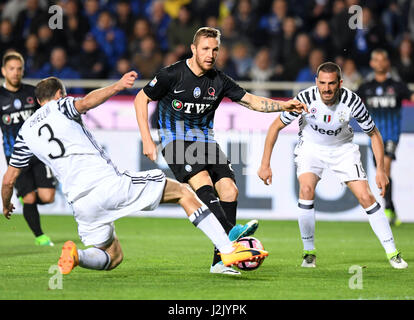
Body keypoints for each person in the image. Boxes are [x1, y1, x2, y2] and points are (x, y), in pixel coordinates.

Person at [1, 72, 268, 275]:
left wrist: (6, 204)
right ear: (59, 93)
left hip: (80, 205)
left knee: (112, 256)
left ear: (37, 100)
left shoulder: (24, 134)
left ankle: (78, 256)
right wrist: (117, 87)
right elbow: (84, 103)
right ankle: (227, 250)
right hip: (107, 184)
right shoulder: (61, 106)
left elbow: (9, 179)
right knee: (183, 192)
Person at [134, 27, 306, 275]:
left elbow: (251, 101)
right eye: (205, 48)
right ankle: (231, 236)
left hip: (206, 141)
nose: (210, 54)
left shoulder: (219, 80)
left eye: (215, 49)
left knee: (229, 189)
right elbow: (141, 98)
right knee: (202, 183)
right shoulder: (172, 74)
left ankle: (220, 261)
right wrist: (147, 139)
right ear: (193, 49)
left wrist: (283, 105)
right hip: (176, 141)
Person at [257, 62, 408, 269]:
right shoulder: (304, 99)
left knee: (366, 197)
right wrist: (265, 163)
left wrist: (381, 170)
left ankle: (393, 253)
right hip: (311, 147)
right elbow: (275, 127)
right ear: (316, 82)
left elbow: (374, 134)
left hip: (342, 149)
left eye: (331, 84)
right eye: (322, 83)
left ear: (340, 83)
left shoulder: (352, 101)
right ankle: (309, 253)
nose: (326, 89)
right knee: (306, 189)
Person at [0, 51, 55, 246]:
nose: (15, 72)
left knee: (47, 197)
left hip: (38, 153)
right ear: (4, 71)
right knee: (30, 197)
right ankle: (40, 236)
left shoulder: (33, 93)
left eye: (19, 69)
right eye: (11, 69)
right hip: (15, 157)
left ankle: (26, 202)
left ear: (23, 71)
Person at [357, 49, 414, 226]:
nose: (380, 63)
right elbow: (351, 104)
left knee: (385, 166)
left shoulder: (397, 85)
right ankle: (391, 208)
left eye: (383, 60)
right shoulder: (366, 88)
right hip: (373, 137)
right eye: (376, 60)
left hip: (391, 135)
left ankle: (387, 208)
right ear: (372, 64)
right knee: (381, 172)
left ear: (387, 63)